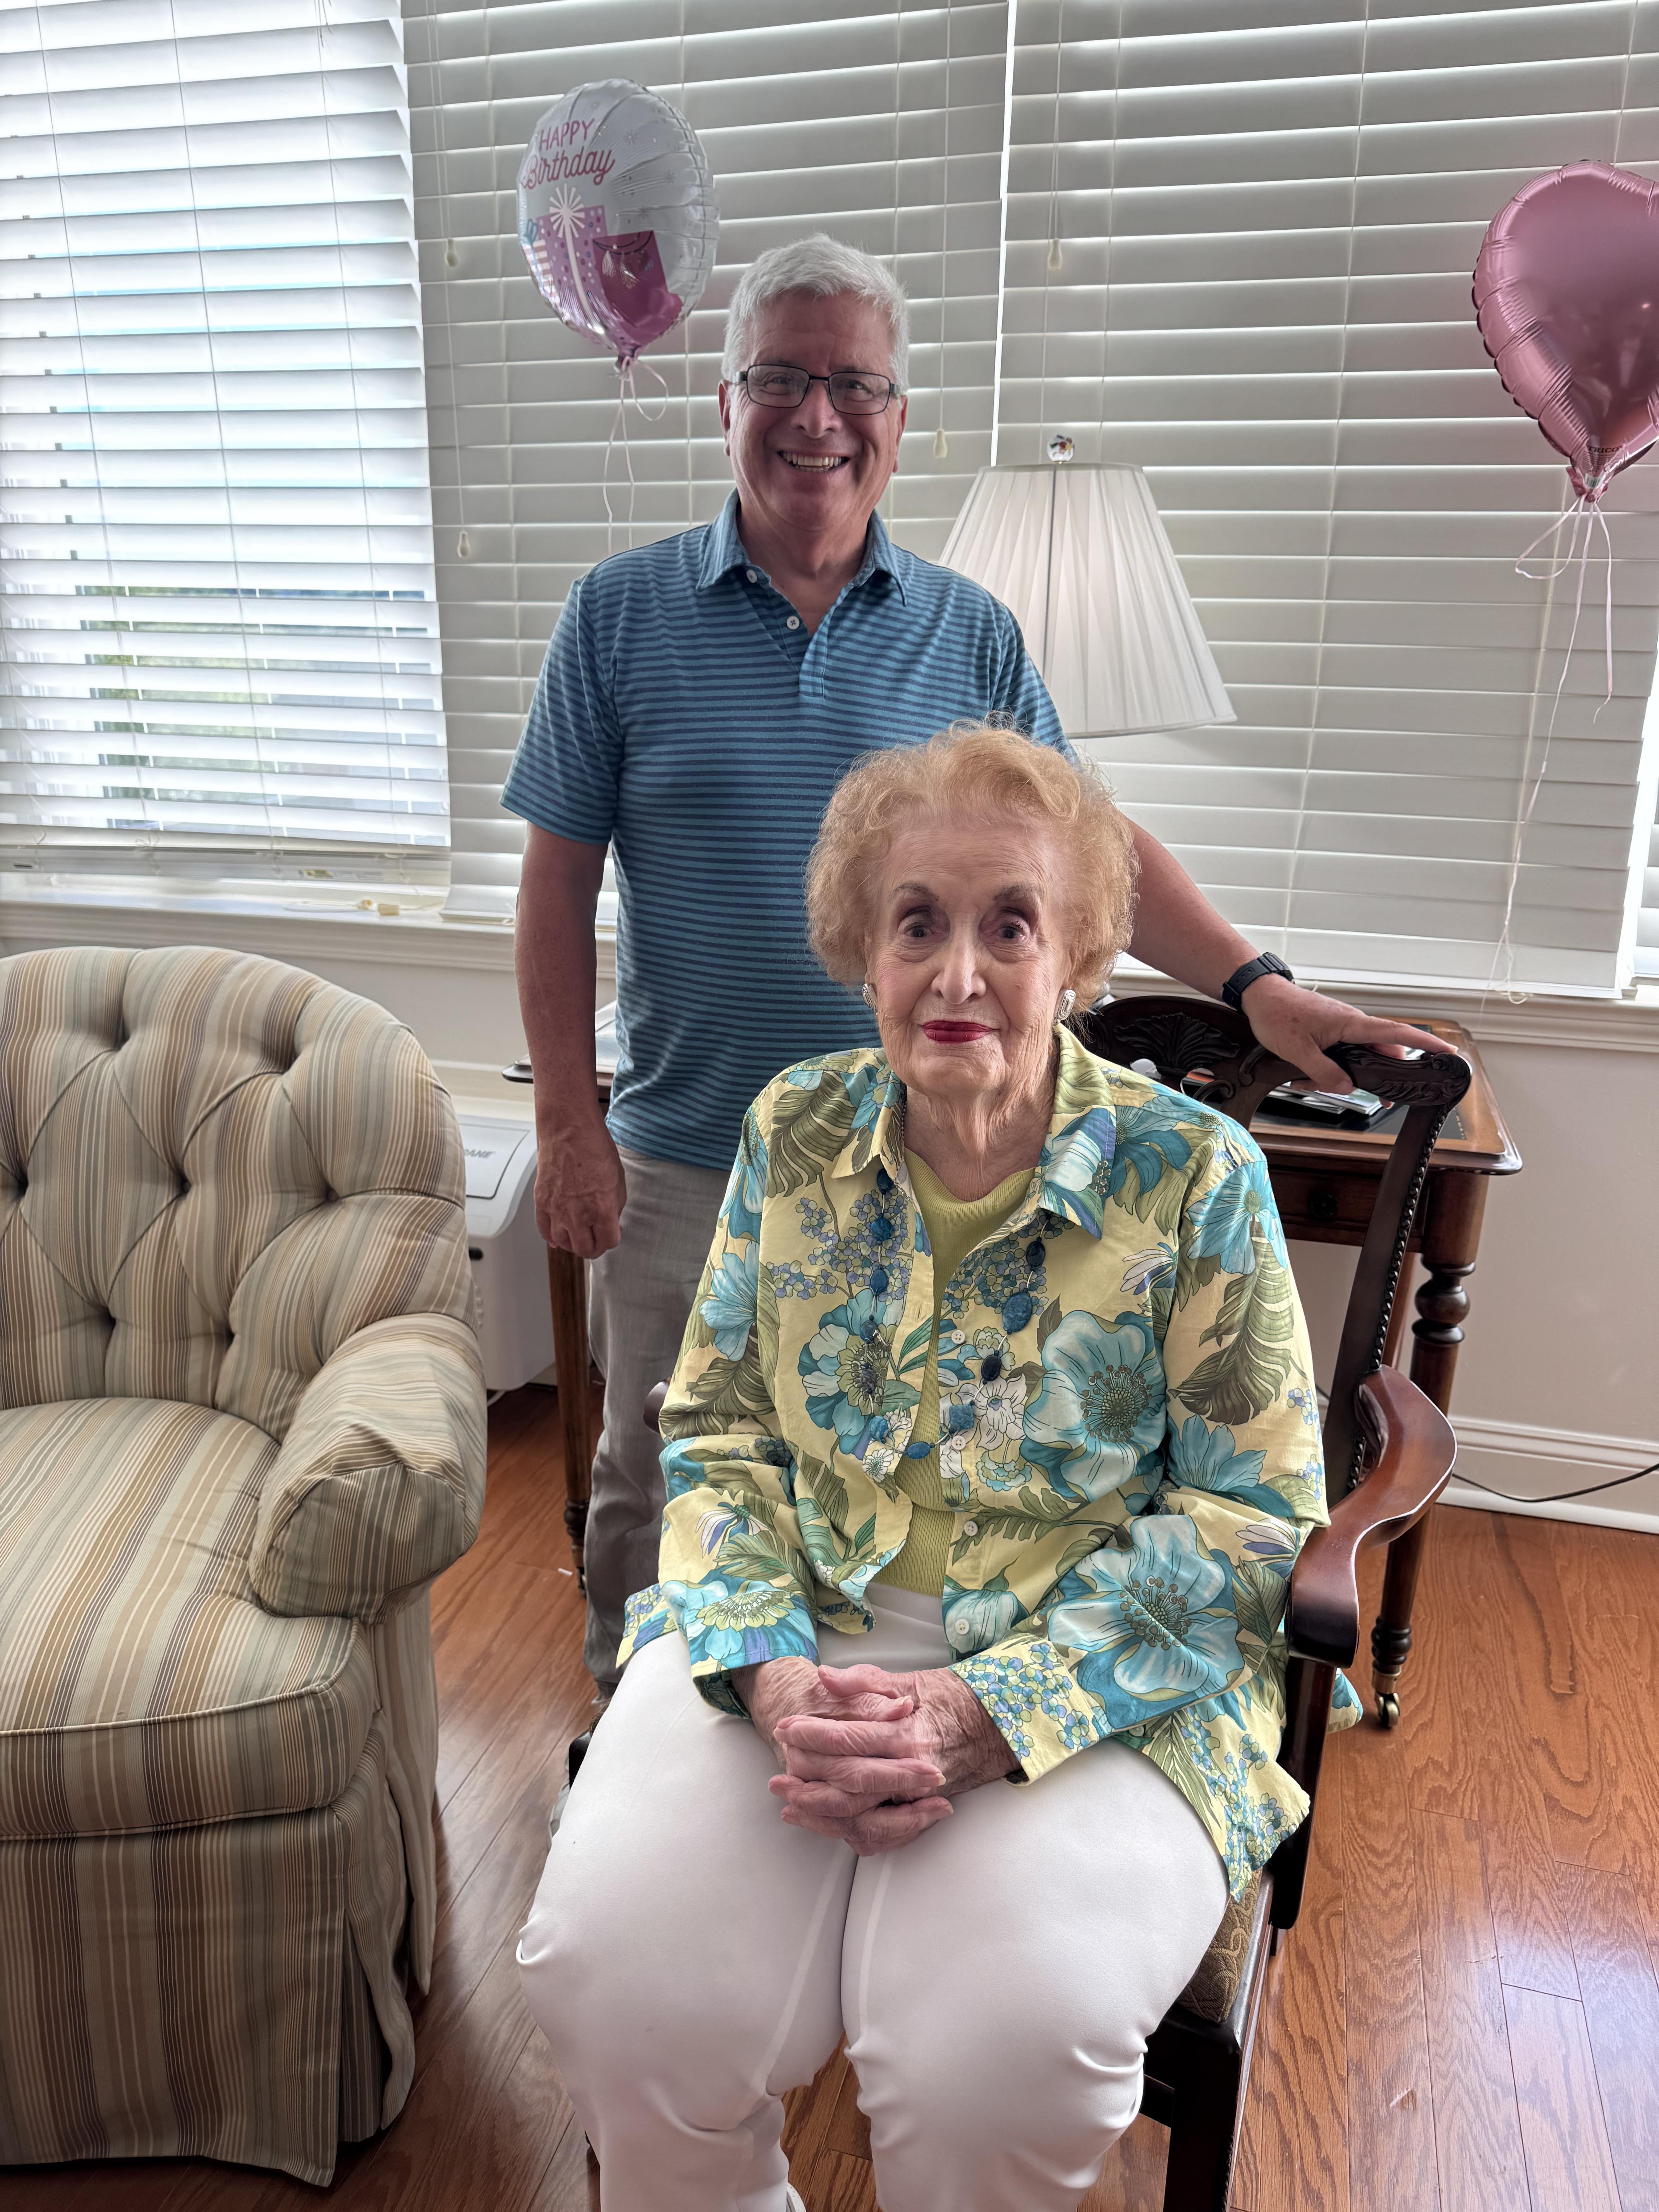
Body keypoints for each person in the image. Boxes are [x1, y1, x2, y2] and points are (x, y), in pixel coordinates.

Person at [503, 232, 1442, 1703]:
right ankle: (638, 1741)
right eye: (782, 378)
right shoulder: (616, 617)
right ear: (728, 398)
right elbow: (555, 884)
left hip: (934, 1159)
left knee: (922, 1481)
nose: (817, 417)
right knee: (662, 1470)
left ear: (897, 416)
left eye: (854, 386)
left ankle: (922, 1711)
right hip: (696, 1152)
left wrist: (1255, 982)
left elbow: (1084, 850)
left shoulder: (967, 630)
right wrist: (568, 1123)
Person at [518, 725, 1359, 2212]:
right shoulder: (795, 1131)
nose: (958, 974)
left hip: (1083, 1660)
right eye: (918, 922)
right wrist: (774, 1676)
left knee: (998, 2049)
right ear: (863, 946)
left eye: (1009, 925)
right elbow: (716, 1427)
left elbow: (1248, 1521)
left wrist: (987, 1710)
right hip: (801, 1621)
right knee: (613, 1981)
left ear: (1082, 955)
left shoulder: (1192, 1173)